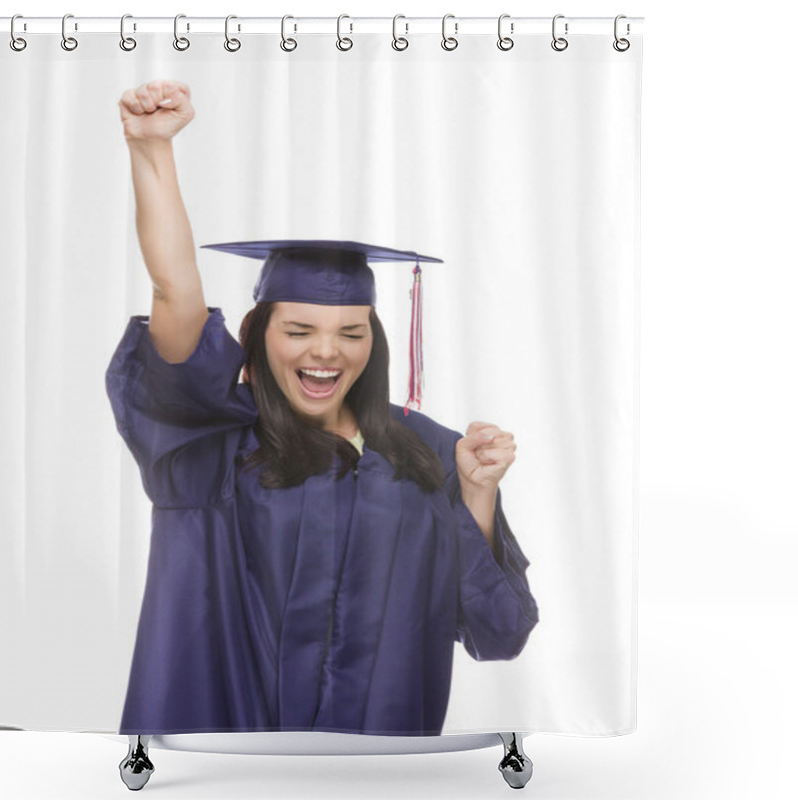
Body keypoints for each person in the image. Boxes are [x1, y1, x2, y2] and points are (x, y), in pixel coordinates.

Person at [107, 79, 538, 737]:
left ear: (378, 339)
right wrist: (151, 150)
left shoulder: (427, 451)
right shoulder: (210, 446)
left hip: (376, 776)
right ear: (259, 332)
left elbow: (497, 634)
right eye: (298, 331)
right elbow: (175, 291)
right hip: (226, 771)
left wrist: (476, 496)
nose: (326, 354)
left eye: (351, 332)